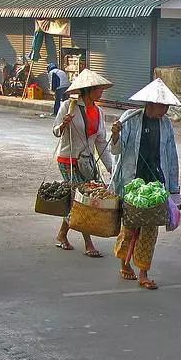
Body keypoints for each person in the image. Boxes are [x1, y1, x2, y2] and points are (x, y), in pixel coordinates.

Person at [110, 78, 181, 290]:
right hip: (132, 184)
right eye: (163, 106)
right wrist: (115, 135)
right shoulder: (129, 119)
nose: (166, 110)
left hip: (156, 185)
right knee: (130, 226)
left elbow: (171, 156)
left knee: (150, 230)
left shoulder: (166, 124)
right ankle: (124, 263)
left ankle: (143, 271)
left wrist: (174, 189)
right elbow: (116, 150)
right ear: (151, 104)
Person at [52, 69, 113, 257]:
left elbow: (101, 141)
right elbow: (56, 131)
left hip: (88, 161)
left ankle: (62, 235)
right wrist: (64, 124)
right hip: (68, 160)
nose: (101, 91)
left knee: (82, 199)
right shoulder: (68, 106)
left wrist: (111, 167)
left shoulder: (99, 112)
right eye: (98, 89)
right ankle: (88, 243)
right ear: (88, 90)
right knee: (82, 200)